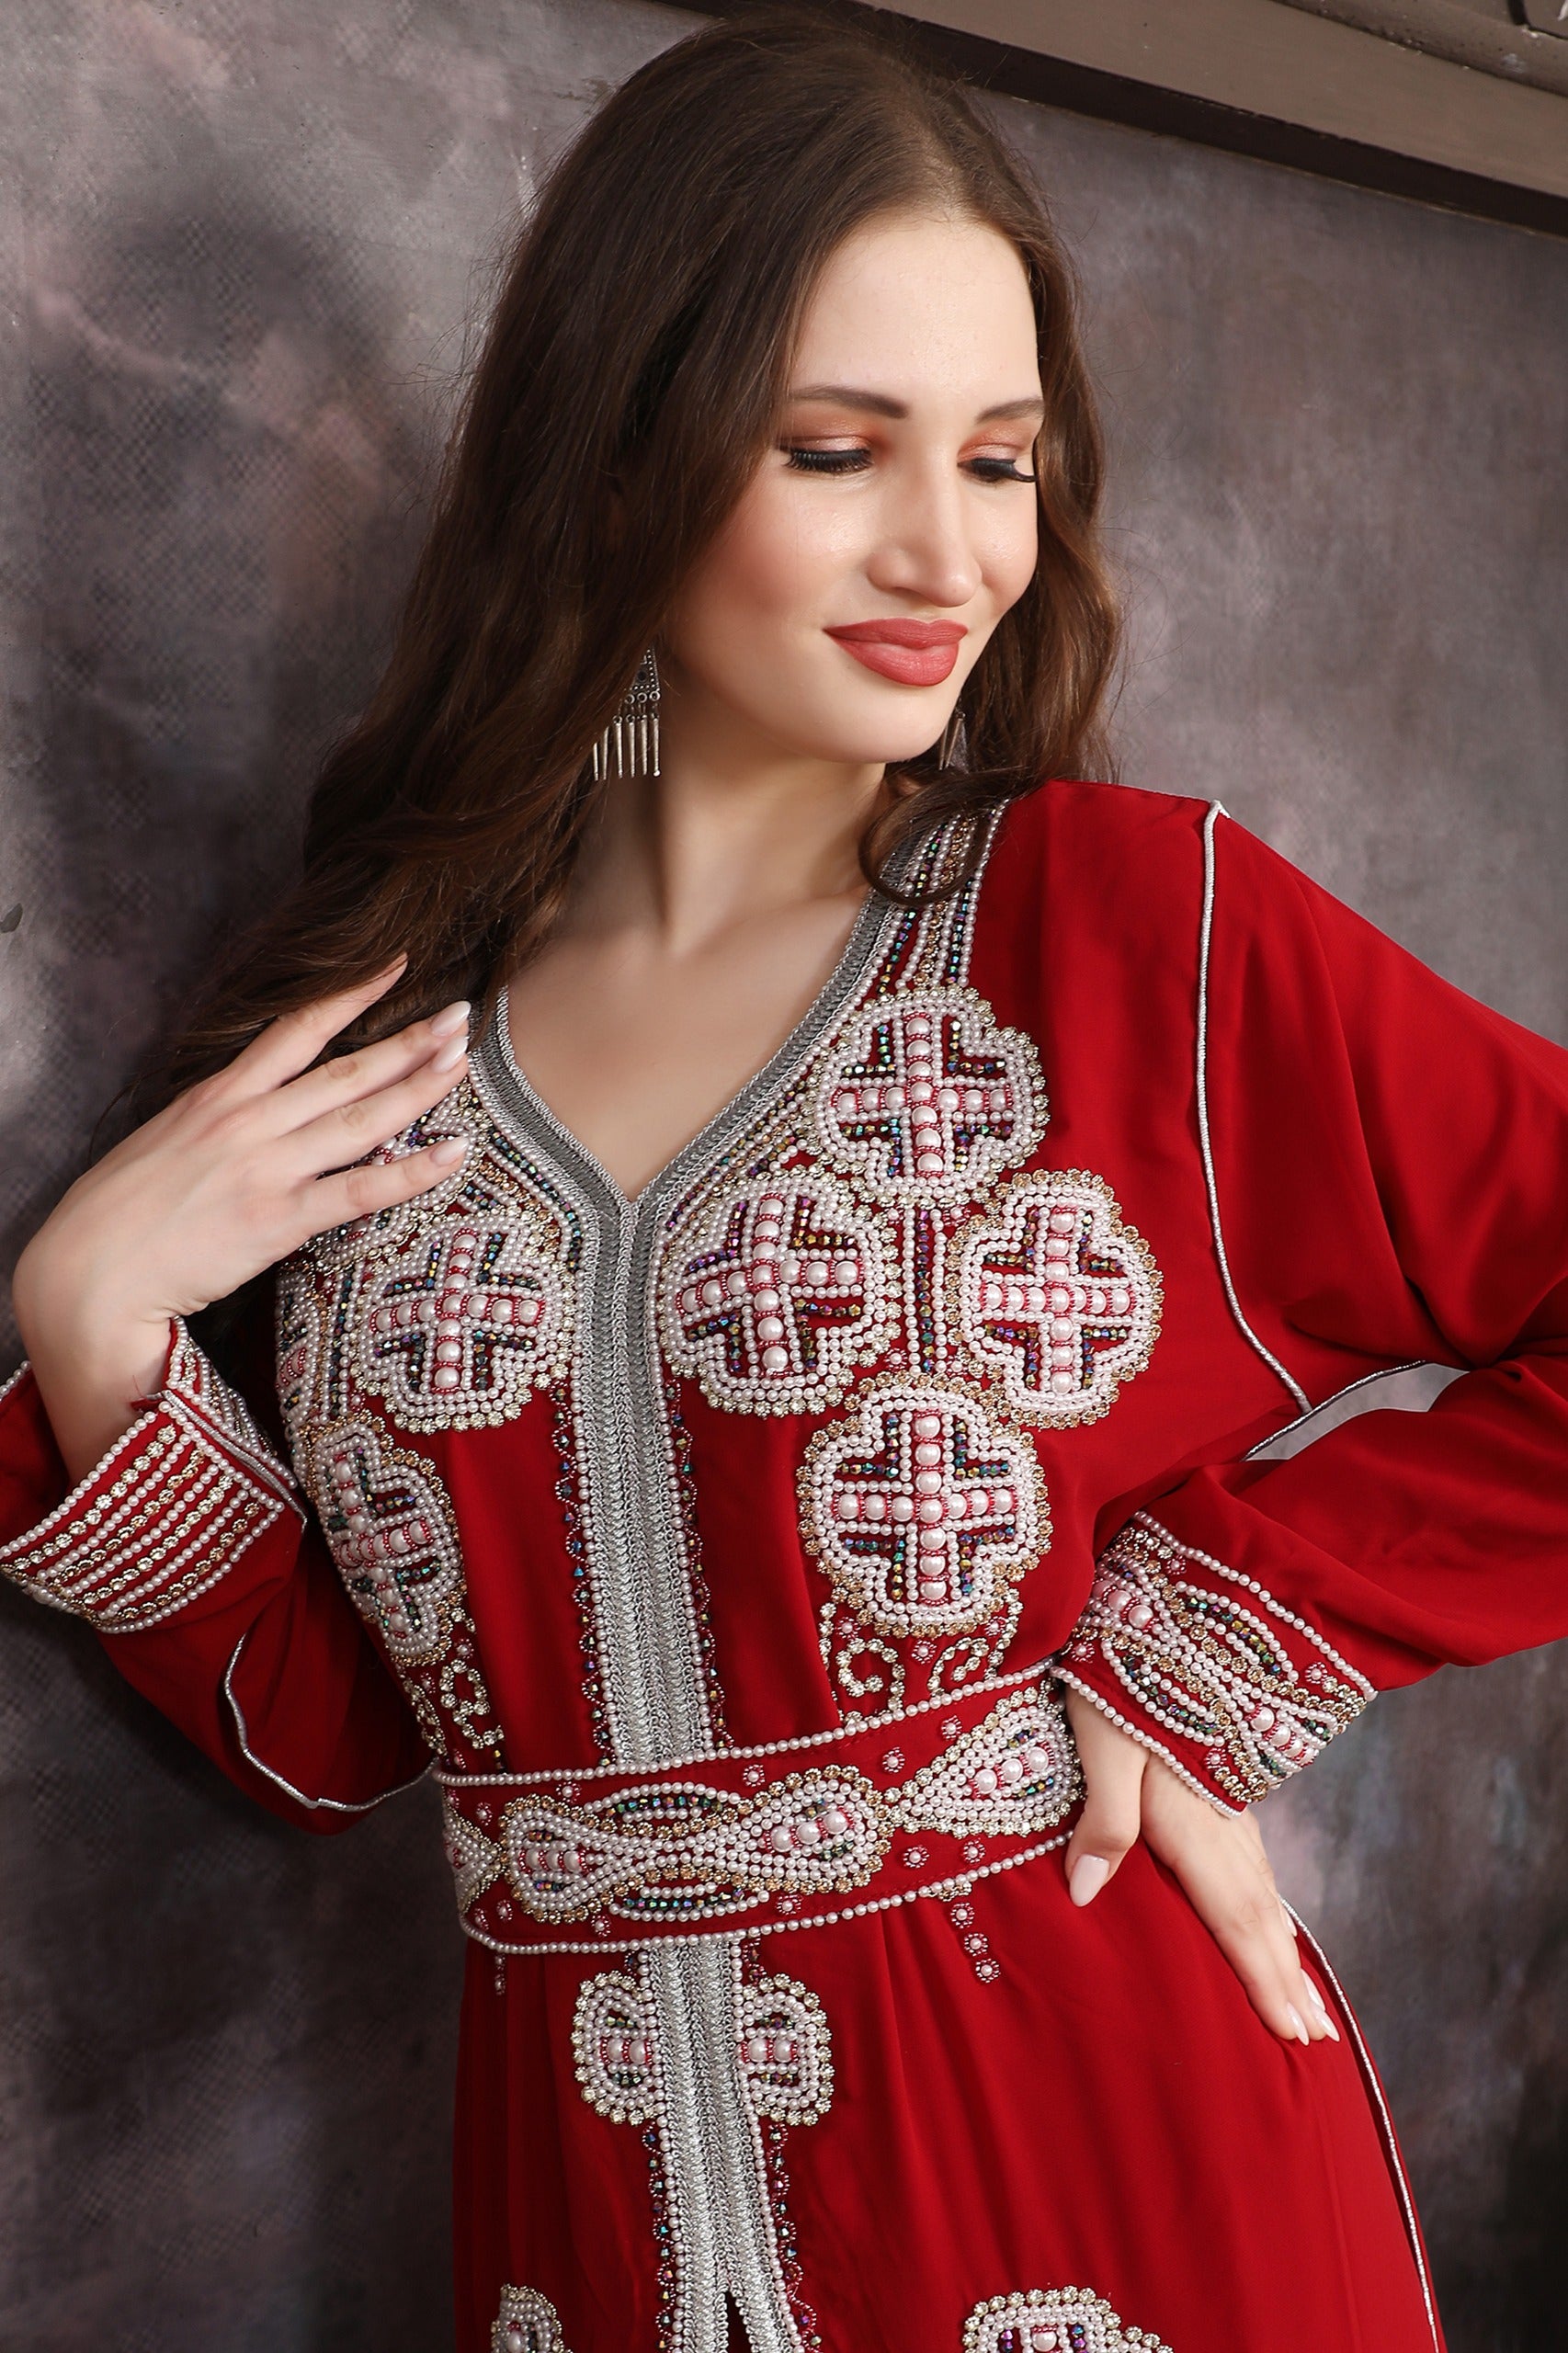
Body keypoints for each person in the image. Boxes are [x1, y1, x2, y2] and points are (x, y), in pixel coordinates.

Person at [4, 11, 1563, 2349]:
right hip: (584, 2241)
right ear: (619, 459)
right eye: (836, 451)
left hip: (1116, 2176)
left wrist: (1222, 1637)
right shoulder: (374, 1053)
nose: (950, 552)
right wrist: (91, 1335)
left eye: (1004, 459)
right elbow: (347, 1744)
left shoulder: (1129, 936)